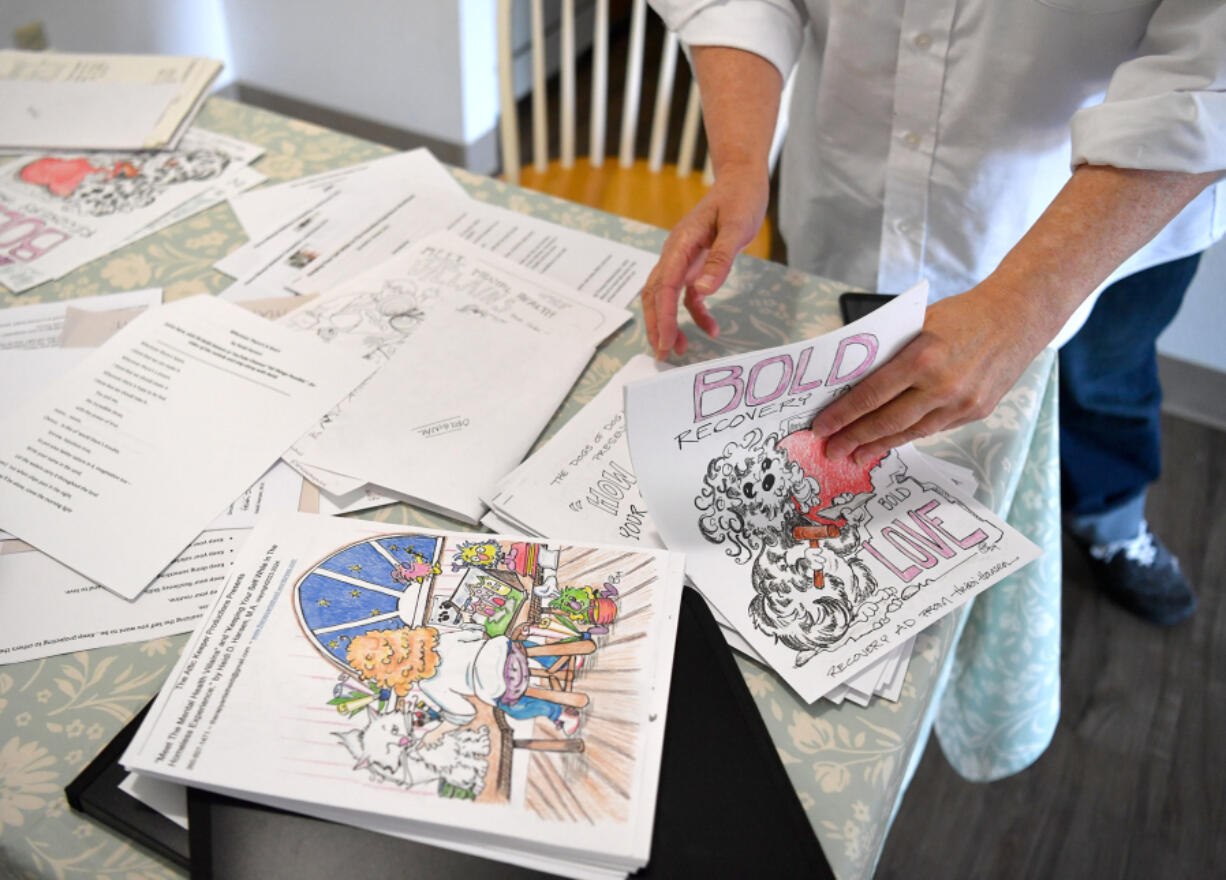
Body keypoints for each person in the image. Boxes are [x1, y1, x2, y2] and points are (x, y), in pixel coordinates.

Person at [642, 0, 1225, 625]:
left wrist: (1026, 304)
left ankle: (1110, 518)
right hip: (849, 169)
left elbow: (1207, 71)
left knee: (1104, 382)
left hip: (1105, 213)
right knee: (871, 396)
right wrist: (740, 162)